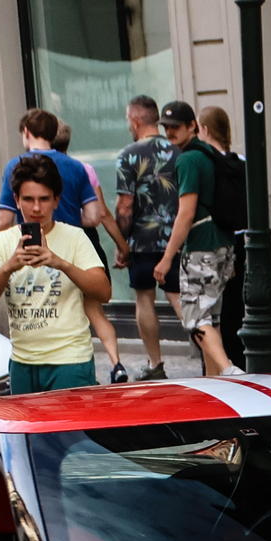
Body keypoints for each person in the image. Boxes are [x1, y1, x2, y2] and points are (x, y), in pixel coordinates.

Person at [0, 109, 122, 381]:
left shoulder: (15, 166)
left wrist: (2, 247)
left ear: (26, 132)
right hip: (78, 250)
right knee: (94, 312)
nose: (38, 206)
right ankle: (116, 362)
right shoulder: (76, 166)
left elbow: (4, 219)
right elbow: (93, 216)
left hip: (31, 247)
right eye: (30, 200)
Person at [0, 153, 111, 393]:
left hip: (69, 360)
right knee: (28, 432)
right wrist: (9, 266)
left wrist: (60, 263)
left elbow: (103, 291)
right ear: (16, 200)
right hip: (22, 362)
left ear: (57, 200)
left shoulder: (75, 236)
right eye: (28, 199)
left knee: (70, 431)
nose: (36, 208)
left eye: (44, 199)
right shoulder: (1, 242)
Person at [154, 102, 234, 377]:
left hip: (201, 245)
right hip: (223, 243)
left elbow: (185, 214)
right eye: (166, 127)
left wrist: (166, 259)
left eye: (175, 126)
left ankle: (229, 371)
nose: (170, 132)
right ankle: (215, 385)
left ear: (193, 126)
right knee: (212, 319)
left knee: (196, 319)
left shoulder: (187, 159)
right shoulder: (211, 153)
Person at [49, 120, 130, 381]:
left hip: (55, 245)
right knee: (95, 311)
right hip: (87, 243)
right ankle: (116, 362)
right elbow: (99, 214)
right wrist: (122, 245)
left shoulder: (37, 170)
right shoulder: (84, 169)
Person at [112, 95, 177, 380]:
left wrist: (122, 242)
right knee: (181, 299)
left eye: (129, 120)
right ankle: (211, 356)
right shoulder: (178, 150)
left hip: (142, 240)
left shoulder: (129, 154)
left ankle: (155, 364)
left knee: (144, 299)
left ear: (136, 120)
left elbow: (125, 205)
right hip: (177, 239)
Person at [199, 106, 249, 367]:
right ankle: (235, 359)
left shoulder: (206, 165)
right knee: (234, 309)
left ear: (205, 130)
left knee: (207, 311)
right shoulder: (241, 162)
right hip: (242, 241)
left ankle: (217, 366)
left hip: (215, 241)